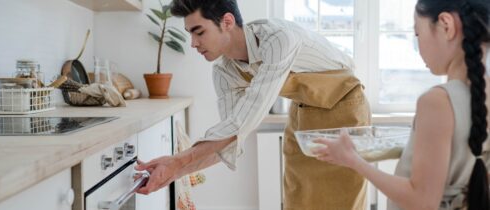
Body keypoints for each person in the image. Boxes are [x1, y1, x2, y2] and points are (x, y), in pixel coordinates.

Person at [135, 0, 372, 209]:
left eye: (199, 32)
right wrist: (174, 172)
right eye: (190, 34)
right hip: (303, 112)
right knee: (298, 199)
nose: (193, 44)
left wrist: (177, 161)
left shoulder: (277, 39)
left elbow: (242, 122)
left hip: (345, 108)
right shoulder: (224, 72)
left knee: (344, 200)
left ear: (227, 22)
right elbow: (230, 140)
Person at [312, 0, 490, 209]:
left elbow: (422, 200)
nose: (418, 46)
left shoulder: (437, 102)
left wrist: (353, 160)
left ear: (446, 26)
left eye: (417, 34)